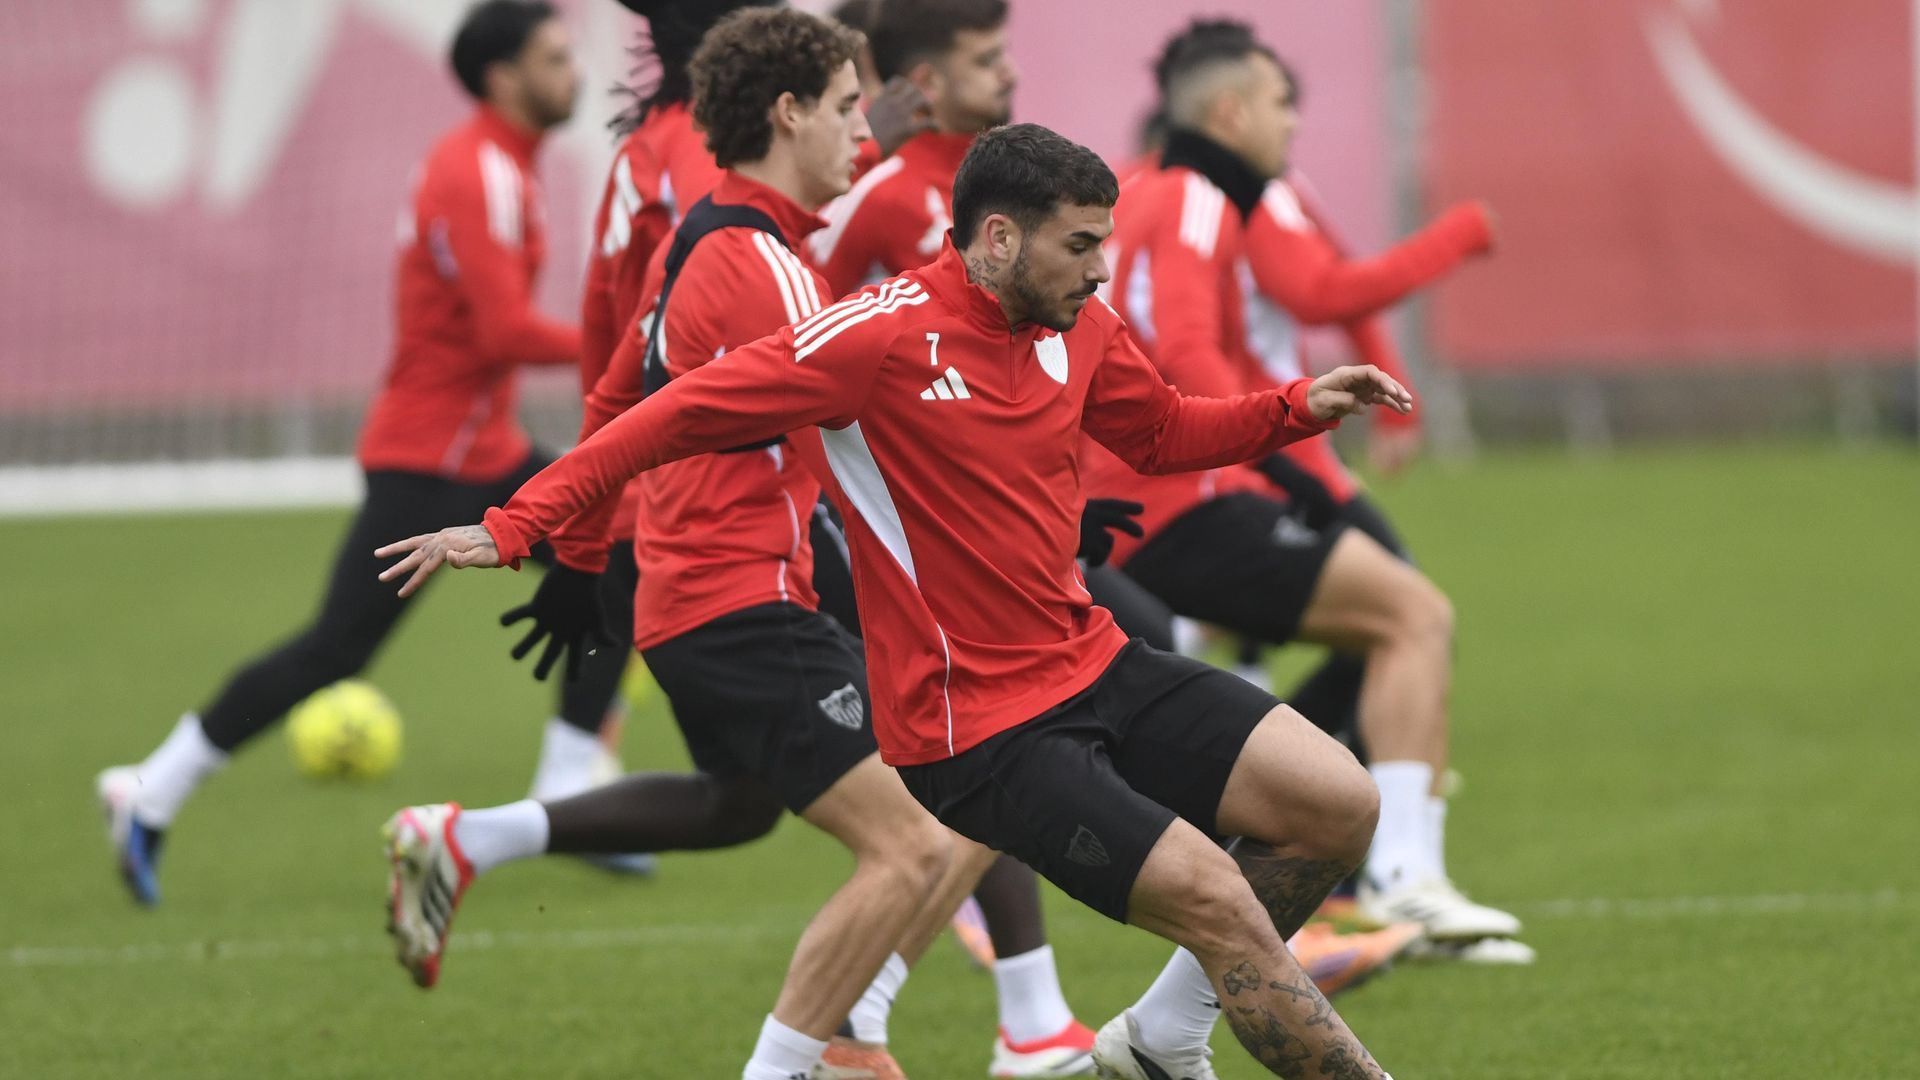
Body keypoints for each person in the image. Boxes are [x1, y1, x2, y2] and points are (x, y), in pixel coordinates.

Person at [377, 120, 1415, 1080]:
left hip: (1094, 663)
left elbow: (1160, 432)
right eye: (1081, 245)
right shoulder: (876, 336)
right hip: (981, 729)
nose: (1101, 269)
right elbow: (673, 413)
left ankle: (1160, 1037)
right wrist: (518, 524)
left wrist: (1295, 407)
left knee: (1338, 804)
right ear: (999, 239)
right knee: (1220, 902)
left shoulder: (1078, 323)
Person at [381, 13, 1000, 1080]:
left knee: (739, 807)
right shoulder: (765, 271)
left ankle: (473, 841)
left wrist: (578, 557)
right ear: (789, 115)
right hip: (743, 606)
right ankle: (848, 1042)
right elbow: (855, 432)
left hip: (696, 600)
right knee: (931, 827)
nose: (867, 134)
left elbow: (617, 396)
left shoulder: (708, 236)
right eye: (849, 109)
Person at [92, 0, 653, 910]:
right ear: (504, 76)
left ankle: (566, 786)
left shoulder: (502, 164)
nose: (574, 71)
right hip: (431, 461)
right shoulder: (477, 171)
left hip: (481, 449)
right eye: (555, 57)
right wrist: (635, 346)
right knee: (335, 650)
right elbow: (503, 330)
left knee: (621, 553)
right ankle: (150, 787)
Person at [1076, 30, 1521, 1054]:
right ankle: (1402, 878)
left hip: (1161, 491)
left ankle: (1328, 868)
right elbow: (1193, 350)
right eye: (1282, 103)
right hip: (1181, 493)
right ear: (1230, 110)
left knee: (1390, 634)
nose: (1293, 123)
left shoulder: (1164, 193)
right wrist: (1276, 451)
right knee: (1414, 615)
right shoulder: (1195, 197)